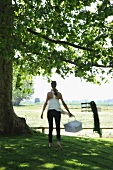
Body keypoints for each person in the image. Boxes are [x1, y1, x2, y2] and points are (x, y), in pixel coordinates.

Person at [41, 81, 74, 150]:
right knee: (58, 127)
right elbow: (64, 104)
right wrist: (69, 112)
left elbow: (46, 103)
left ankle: (50, 143)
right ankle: (58, 142)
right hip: (57, 112)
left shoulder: (49, 94)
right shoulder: (59, 94)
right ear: (56, 85)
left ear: (51, 86)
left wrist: (42, 112)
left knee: (51, 127)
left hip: (50, 111)